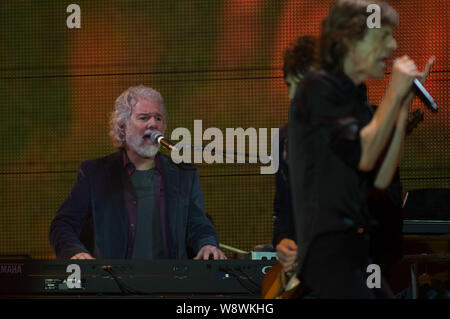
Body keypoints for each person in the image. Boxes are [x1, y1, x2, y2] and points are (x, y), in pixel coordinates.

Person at [288, 0, 433, 298]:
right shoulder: (318, 89)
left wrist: (403, 105)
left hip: (359, 255)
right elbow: (364, 155)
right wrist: (393, 92)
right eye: (382, 37)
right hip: (329, 258)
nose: (392, 45)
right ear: (351, 42)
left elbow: (381, 176)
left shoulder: (357, 99)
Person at [49, 85, 226, 260]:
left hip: (170, 284)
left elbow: (199, 225)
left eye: (158, 118)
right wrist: (75, 252)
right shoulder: (95, 173)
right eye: (144, 118)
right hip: (113, 283)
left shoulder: (183, 174)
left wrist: (207, 244)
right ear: (122, 127)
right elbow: (63, 225)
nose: (154, 124)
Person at [273, 36, 316, 274]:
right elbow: (282, 210)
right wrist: (282, 241)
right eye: (289, 86)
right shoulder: (283, 139)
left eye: (299, 87)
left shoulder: (351, 133)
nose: (292, 97)